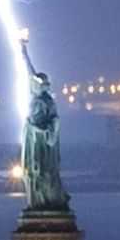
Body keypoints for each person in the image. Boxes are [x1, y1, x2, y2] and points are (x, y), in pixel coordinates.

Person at [20, 37, 70, 211]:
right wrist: (24, 52)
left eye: (44, 84)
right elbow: (29, 72)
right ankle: (37, 201)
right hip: (33, 139)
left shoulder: (49, 102)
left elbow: (55, 121)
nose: (41, 85)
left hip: (44, 141)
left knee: (45, 172)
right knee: (33, 172)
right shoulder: (34, 96)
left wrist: (46, 129)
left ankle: (47, 200)